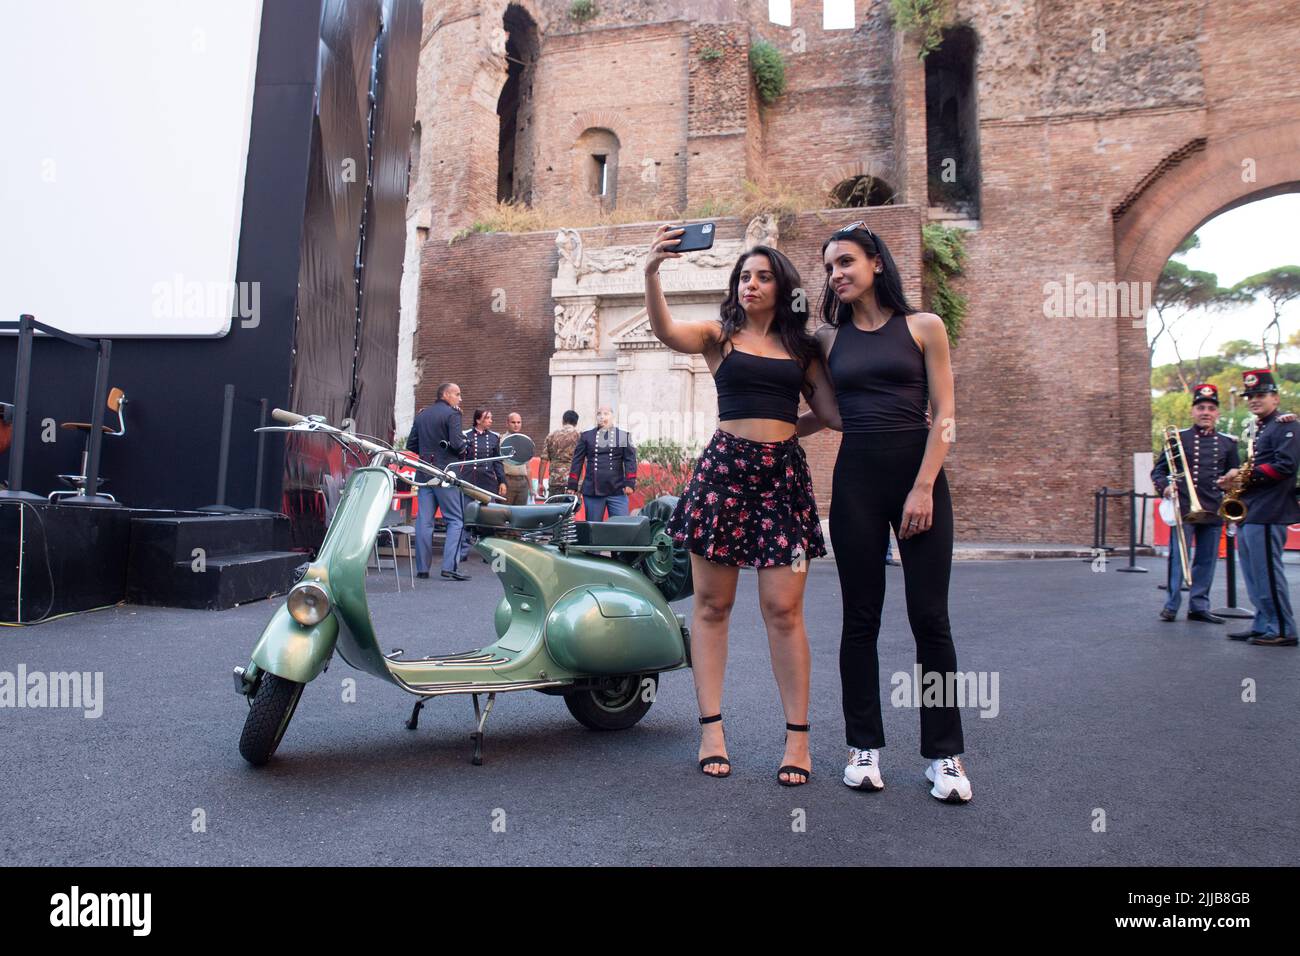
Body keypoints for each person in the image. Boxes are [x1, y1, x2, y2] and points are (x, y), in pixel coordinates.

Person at [646, 224, 838, 786]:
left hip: (782, 481)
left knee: (784, 610)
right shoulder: (718, 335)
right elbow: (665, 331)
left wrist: (783, 430)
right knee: (712, 607)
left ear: (783, 287)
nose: (751, 284)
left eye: (763, 276)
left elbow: (832, 414)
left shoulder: (801, 349)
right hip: (722, 477)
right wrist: (653, 271)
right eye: (744, 277)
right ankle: (712, 730)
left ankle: (797, 740)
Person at [801, 220, 971, 803]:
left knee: (931, 620)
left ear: (875, 263)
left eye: (845, 262)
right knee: (860, 619)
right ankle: (863, 746)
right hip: (856, 483)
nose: (836, 274)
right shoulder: (827, 340)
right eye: (828, 267)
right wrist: (759, 432)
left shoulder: (925, 327)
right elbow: (825, 413)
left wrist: (923, 487)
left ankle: (945, 757)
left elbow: (945, 413)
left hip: (918, 477)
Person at [1220, 369, 1299, 647]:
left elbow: (1285, 466)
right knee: (1254, 575)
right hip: (1253, 510)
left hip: (1270, 511)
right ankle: (1263, 623)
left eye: (1260, 394)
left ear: (1275, 398)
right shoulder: (1265, 426)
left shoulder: (1286, 424)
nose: (1254, 399)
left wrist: (1242, 477)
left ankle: (1282, 629)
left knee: (1267, 573)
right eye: (1250, 396)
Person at [1151, 383, 1239, 623]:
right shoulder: (1178, 438)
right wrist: (1165, 487)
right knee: (1178, 559)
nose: (1205, 412)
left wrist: (1230, 480)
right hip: (1185, 507)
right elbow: (1158, 472)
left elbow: (1234, 471)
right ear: (1193, 411)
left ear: (1217, 413)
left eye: (1211, 408)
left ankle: (1199, 606)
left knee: (1207, 560)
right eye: (1201, 407)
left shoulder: (1228, 443)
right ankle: (1171, 605)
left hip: (1212, 507)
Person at [406, 383, 471, 582]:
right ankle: (449, 567)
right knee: (455, 520)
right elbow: (459, 445)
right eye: (457, 394)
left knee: (424, 522)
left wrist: (429, 453)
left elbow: (411, 445)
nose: (460, 399)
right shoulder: (453, 414)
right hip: (446, 473)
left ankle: (422, 569)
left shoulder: (422, 415)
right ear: (446, 394)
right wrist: (463, 445)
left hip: (424, 472)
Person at [567, 405, 637, 520]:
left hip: (617, 490)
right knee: (593, 528)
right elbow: (577, 461)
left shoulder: (623, 436)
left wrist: (630, 482)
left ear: (612, 416)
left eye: (606, 413)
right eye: (599, 414)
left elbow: (630, 460)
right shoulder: (586, 436)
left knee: (621, 527)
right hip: (593, 491)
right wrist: (572, 484)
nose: (601, 417)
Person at [461, 409, 508, 498]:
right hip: (469, 479)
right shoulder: (466, 435)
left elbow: (497, 462)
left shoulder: (494, 437)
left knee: (489, 509)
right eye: (487, 418)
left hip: (488, 479)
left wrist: (502, 481)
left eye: (491, 418)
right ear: (478, 420)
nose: (491, 420)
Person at [540, 410, 581, 500]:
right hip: (573, 481)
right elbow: (585, 460)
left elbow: (543, 460)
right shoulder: (580, 436)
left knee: (554, 509)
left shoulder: (551, 435)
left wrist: (540, 483)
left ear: (563, 420)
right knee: (571, 509)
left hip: (555, 480)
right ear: (576, 422)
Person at [502, 411, 532, 505]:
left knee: (521, 514)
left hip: (523, 483)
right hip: (508, 481)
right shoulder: (501, 440)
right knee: (505, 513)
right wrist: (501, 483)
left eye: (518, 422)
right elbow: (497, 465)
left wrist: (531, 488)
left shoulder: (525, 441)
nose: (516, 425)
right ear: (507, 423)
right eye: (513, 422)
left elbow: (527, 467)